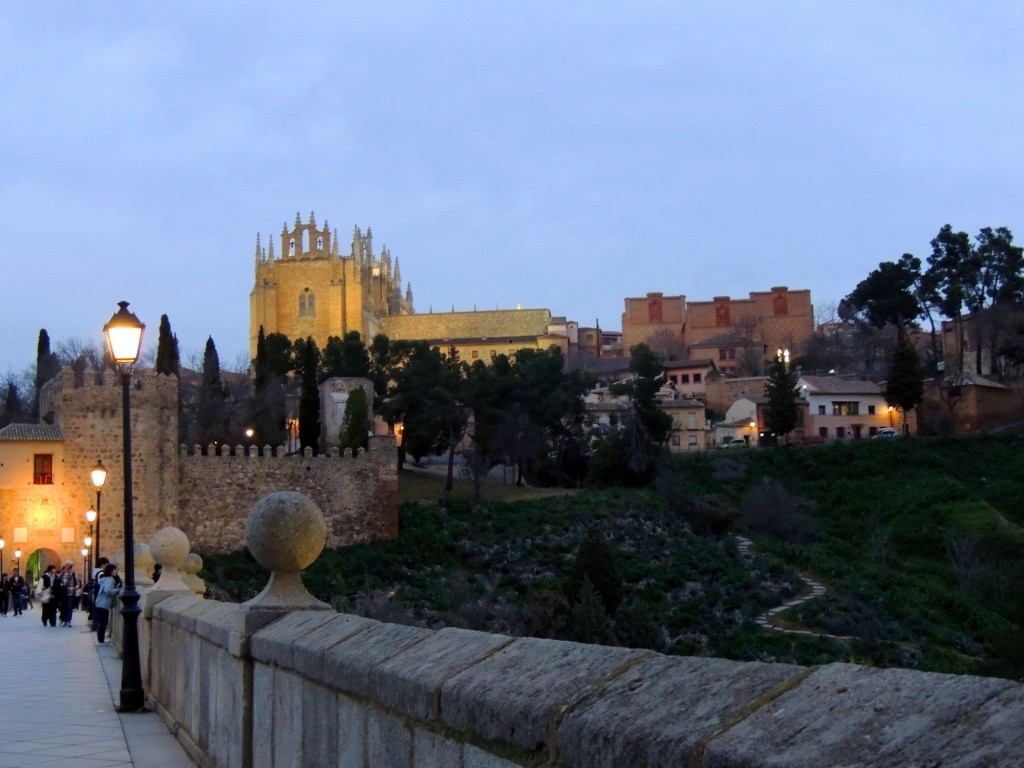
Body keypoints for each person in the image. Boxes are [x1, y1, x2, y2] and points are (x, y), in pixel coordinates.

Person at [93, 563, 120, 644]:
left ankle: (101, 639)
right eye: (114, 570)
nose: (116, 571)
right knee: (103, 622)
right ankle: (101, 640)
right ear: (111, 571)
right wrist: (117, 590)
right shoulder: (109, 580)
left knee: (102, 622)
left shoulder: (105, 579)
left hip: (101, 603)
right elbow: (108, 591)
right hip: (104, 604)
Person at [57, 561, 80, 627]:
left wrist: (75, 588)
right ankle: (63, 619)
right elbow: (58, 582)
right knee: (63, 607)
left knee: (69, 607)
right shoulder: (62, 574)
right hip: (63, 594)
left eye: (67, 565)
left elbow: (78, 583)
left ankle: (68, 620)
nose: (66, 566)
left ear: (70, 566)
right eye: (65, 565)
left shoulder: (74, 574)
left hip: (71, 593)